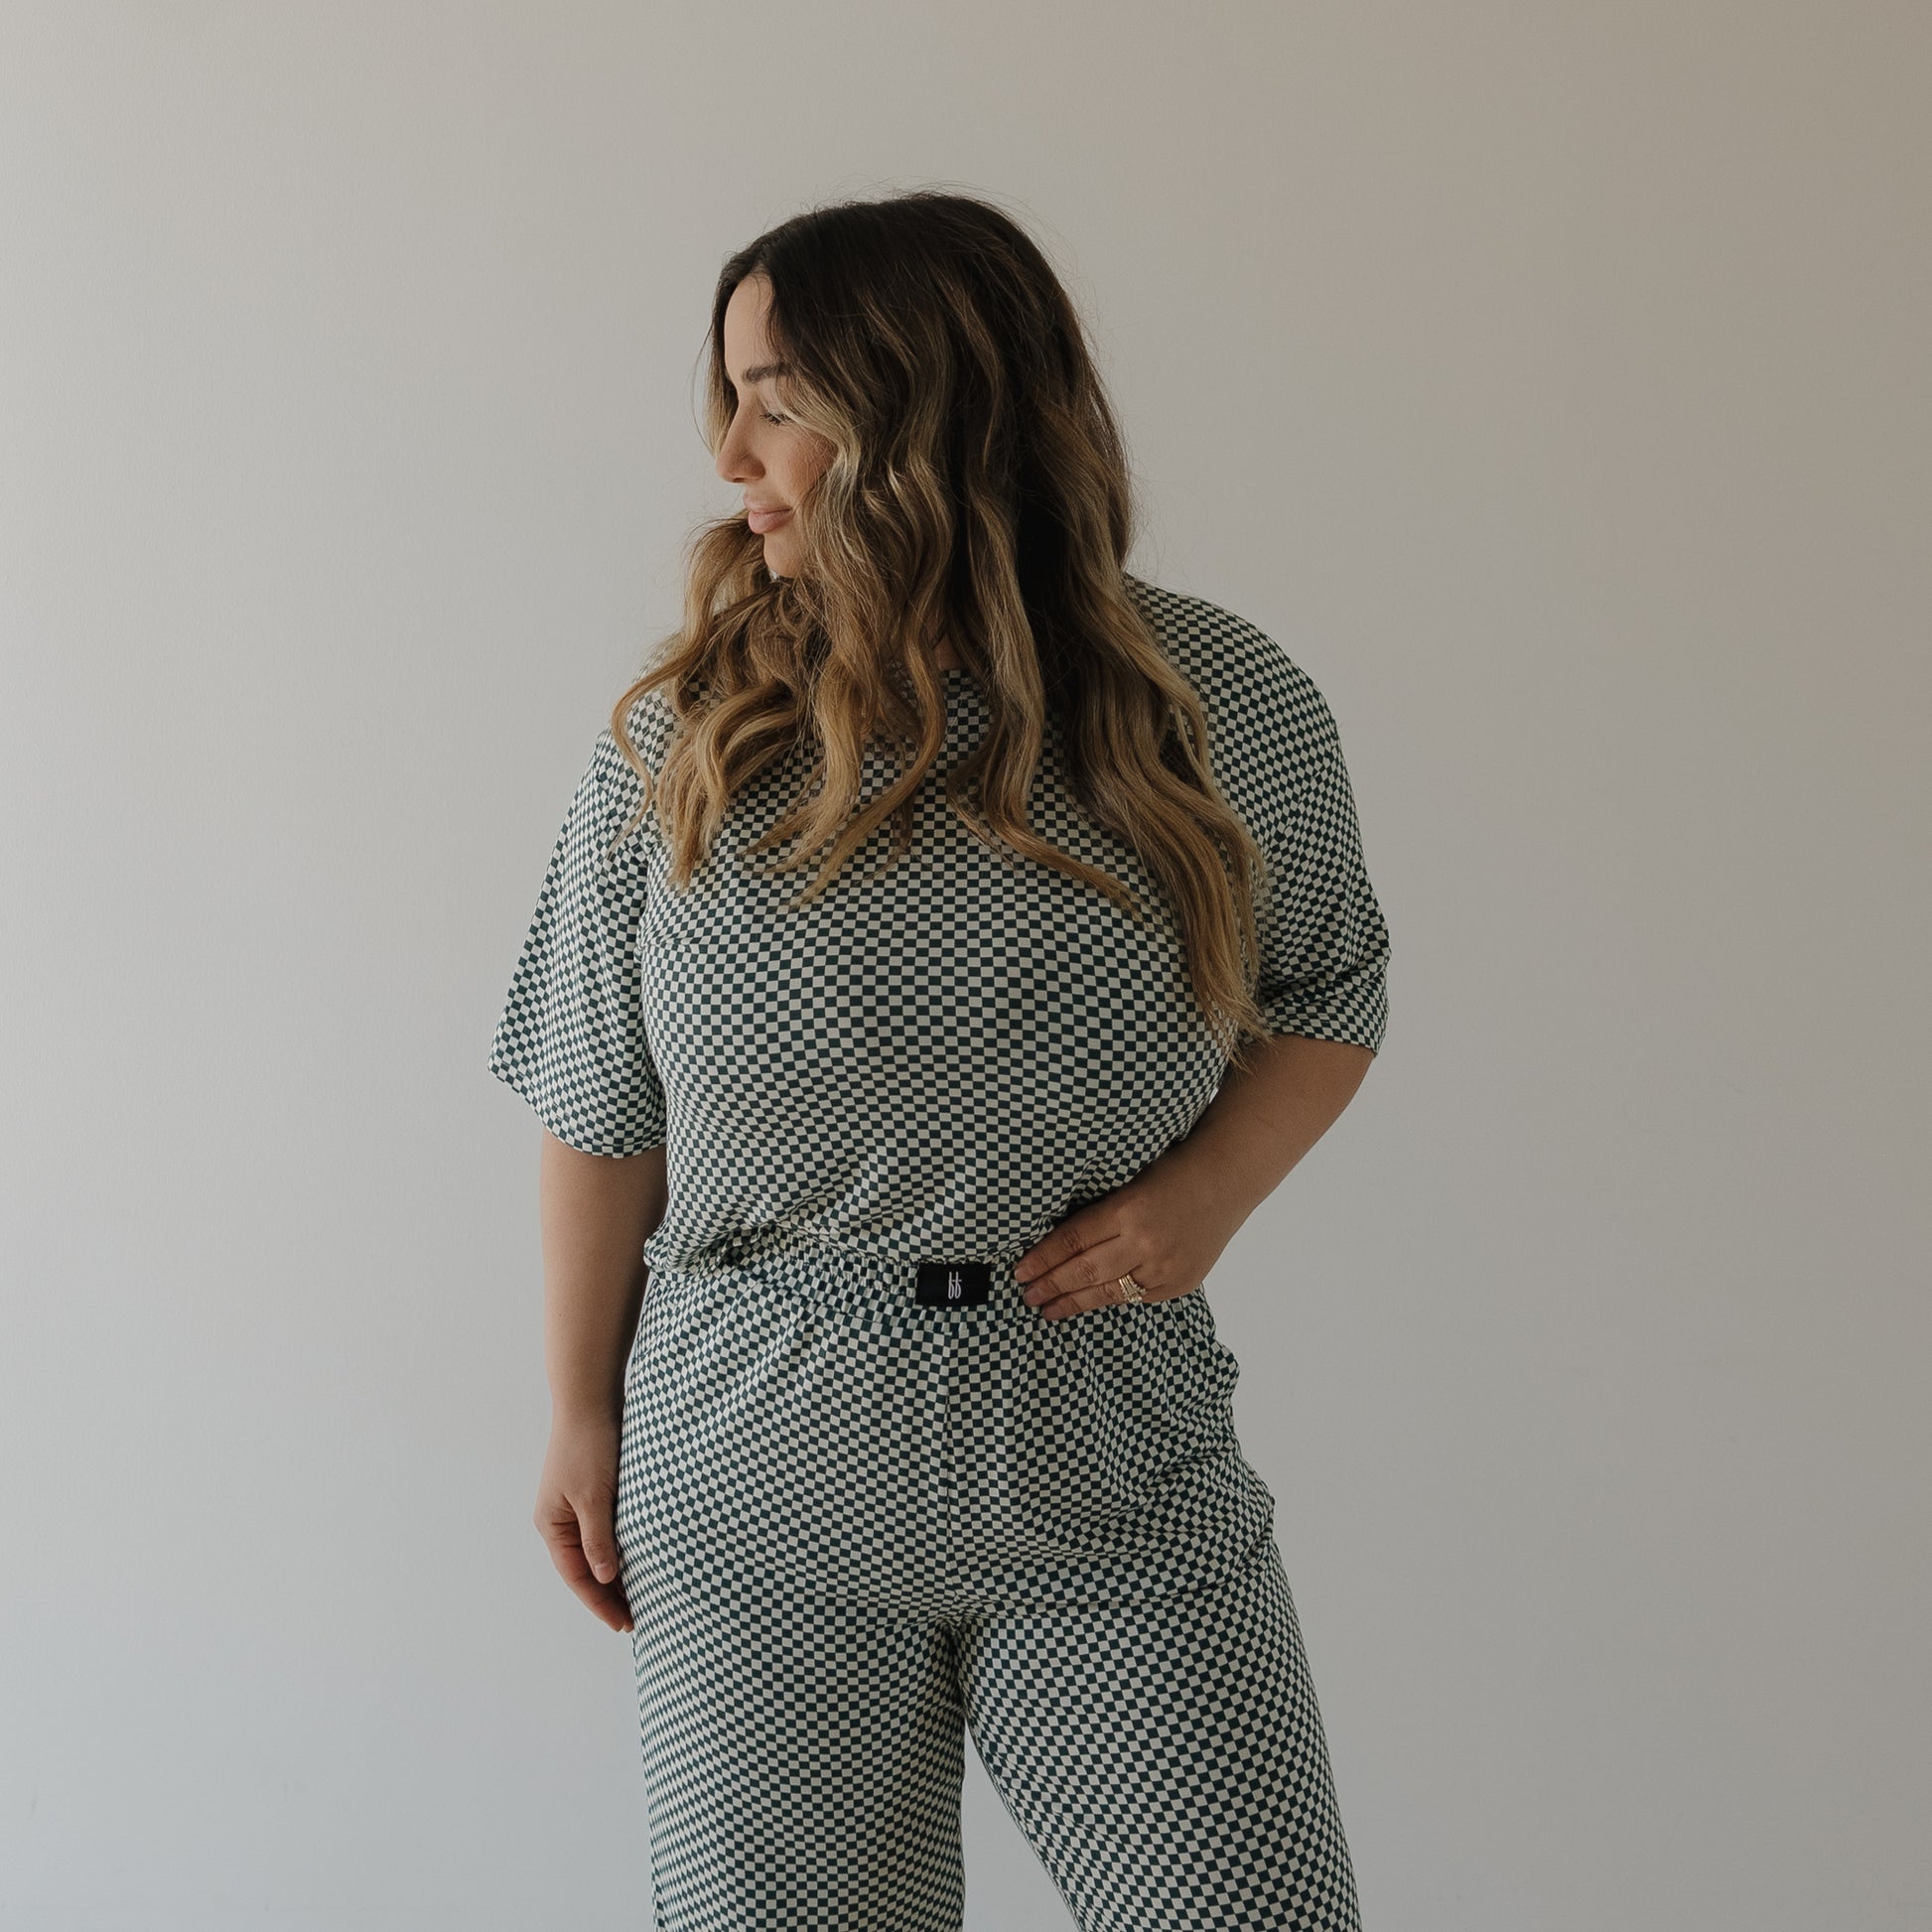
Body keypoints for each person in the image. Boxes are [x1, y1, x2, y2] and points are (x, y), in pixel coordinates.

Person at [487, 189, 1391, 1932]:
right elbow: (601, 1101)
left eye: (775, 396)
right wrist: (579, 1407)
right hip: (754, 1450)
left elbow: (1329, 988)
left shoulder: (1214, 701)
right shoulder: (684, 739)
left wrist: (1202, 1198)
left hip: (1104, 1436)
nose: (726, 445)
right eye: (730, 392)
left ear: (923, 413)